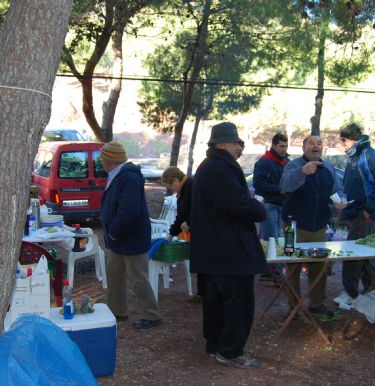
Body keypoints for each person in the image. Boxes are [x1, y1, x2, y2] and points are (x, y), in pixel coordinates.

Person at [191, 122, 267, 369]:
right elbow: (238, 204)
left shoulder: (211, 166)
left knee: (217, 301)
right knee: (238, 302)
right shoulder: (218, 169)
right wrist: (258, 207)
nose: (240, 147)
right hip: (230, 250)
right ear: (224, 144)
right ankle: (231, 350)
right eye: (237, 143)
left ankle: (216, 344)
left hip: (218, 250)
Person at [280, 135, 345, 317]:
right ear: (303, 147)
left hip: (319, 227)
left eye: (319, 143)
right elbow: (284, 186)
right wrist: (302, 172)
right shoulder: (293, 165)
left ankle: (317, 303)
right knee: (292, 267)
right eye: (311, 143)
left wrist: (340, 200)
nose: (316, 146)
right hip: (293, 227)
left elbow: (337, 190)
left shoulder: (328, 168)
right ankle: (293, 305)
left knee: (319, 267)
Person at [100, 141, 162, 329]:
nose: (100, 160)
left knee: (138, 278)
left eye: (102, 157)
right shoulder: (117, 175)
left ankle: (151, 316)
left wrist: (114, 231)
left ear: (109, 159)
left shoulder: (128, 178)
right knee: (114, 274)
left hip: (130, 238)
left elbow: (129, 210)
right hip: (119, 239)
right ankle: (117, 311)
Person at [335, 123, 375, 306]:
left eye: (343, 140)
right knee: (365, 254)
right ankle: (371, 289)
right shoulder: (354, 158)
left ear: (354, 139)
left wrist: (370, 212)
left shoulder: (370, 157)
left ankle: (351, 292)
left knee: (353, 254)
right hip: (354, 211)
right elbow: (352, 186)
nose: (341, 144)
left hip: (365, 214)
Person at [160, 167, 203, 303]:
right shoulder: (182, 191)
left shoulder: (191, 186)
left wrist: (189, 222)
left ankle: (207, 294)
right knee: (199, 263)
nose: (172, 190)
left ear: (176, 180)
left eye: (170, 186)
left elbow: (200, 208)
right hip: (196, 232)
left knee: (205, 264)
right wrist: (171, 234)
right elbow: (180, 216)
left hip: (204, 232)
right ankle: (202, 293)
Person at [253, 133, 289, 240]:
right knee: (271, 238)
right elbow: (258, 183)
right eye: (281, 146)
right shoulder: (264, 162)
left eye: (286, 146)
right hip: (268, 205)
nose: (284, 149)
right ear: (273, 146)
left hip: (283, 205)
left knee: (281, 238)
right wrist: (279, 190)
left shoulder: (287, 162)